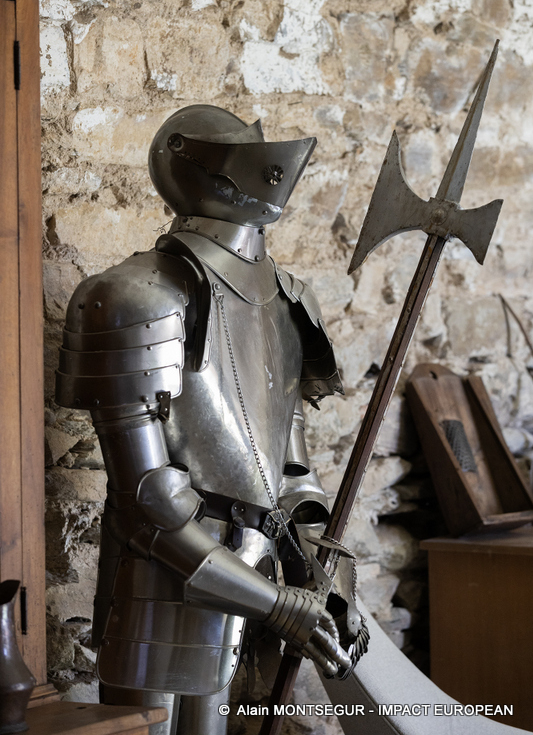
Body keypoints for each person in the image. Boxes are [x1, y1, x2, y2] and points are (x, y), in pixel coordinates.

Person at [56, 105, 367, 735]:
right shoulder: (133, 297)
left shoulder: (290, 299)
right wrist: (281, 606)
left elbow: (292, 474)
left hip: (261, 580)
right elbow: (150, 505)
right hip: (163, 588)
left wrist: (328, 579)